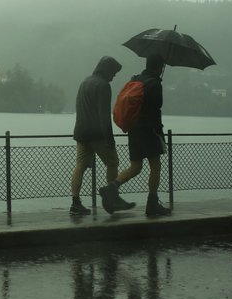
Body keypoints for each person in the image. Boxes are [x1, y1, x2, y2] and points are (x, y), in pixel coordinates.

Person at [99, 54, 172, 216]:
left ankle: (111, 187)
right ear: (159, 67)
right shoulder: (155, 84)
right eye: (161, 67)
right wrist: (159, 132)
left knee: (136, 166)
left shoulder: (136, 79)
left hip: (133, 129)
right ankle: (152, 204)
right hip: (149, 131)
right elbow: (155, 111)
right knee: (155, 166)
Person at [69, 56, 135, 215]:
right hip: (97, 134)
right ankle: (112, 199)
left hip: (80, 132)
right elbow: (104, 116)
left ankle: (75, 203)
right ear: (107, 70)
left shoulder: (85, 82)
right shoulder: (103, 86)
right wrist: (110, 139)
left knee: (80, 166)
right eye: (113, 72)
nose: (113, 76)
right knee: (113, 162)